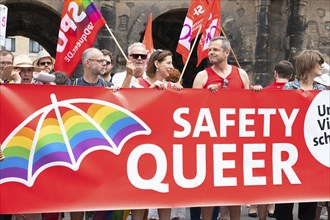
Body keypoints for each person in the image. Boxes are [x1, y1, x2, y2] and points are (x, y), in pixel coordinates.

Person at [192, 36, 250, 220]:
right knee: (209, 188)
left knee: (235, 188)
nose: (210, 53)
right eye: (209, 50)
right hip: (210, 140)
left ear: (227, 52)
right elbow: (190, 108)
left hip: (235, 139)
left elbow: (249, 105)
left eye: (215, 50)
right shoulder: (202, 76)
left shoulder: (241, 74)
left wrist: (256, 92)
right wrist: (205, 96)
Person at [124, 49, 182, 220]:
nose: (172, 67)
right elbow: (128, 103)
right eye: (168, 63)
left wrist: (181, 93)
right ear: (157, 64)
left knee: (164, 193)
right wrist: (150, 90)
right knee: (141, 194)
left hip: (166, 145)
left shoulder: (173, 86)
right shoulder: (139, 83)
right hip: (142, 145)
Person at [274, 50, 326, 220]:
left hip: (311, 150)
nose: (321, 65)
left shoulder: (321, 89)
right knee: (285, 201)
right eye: (318, 62)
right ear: (309, 64)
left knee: (308, 203)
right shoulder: (289, 88)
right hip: (290, 149)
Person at [246, 60, 295, 220]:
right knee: (282, 180)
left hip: (265, 142)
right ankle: (274, 208)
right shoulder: (296, 93)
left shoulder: (265, 92)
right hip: (288, 144)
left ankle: (259, 213)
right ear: (291, 76)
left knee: (264, 180)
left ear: (275, 73)